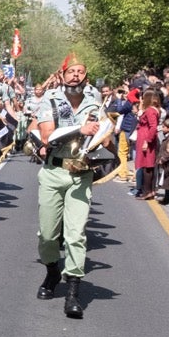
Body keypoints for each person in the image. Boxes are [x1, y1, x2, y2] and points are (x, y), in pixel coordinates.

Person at [33, 58, 107, 319]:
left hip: (81, 174)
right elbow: (46, 136)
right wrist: (81, 129)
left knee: (75, 234)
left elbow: (105, 134)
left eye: (80, 72)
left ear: (86, 76)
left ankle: (73, 290)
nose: (75, 76)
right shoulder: (51, 99)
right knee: (48, 235)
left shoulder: (94, 101)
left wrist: (103, 135)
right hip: (54, 172)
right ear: (62, 75)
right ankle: (52, 271)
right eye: (71, 72)